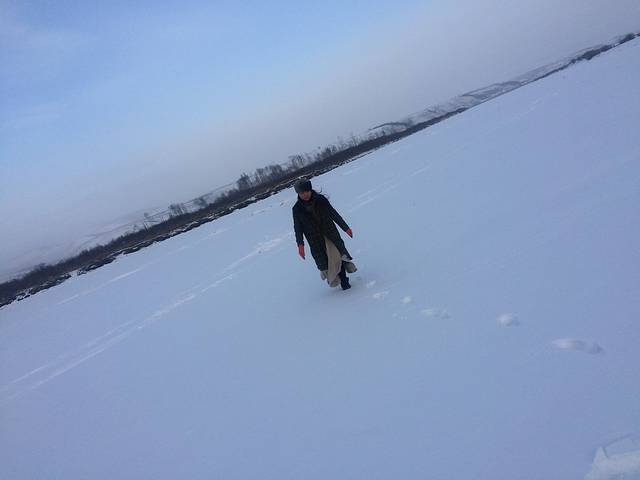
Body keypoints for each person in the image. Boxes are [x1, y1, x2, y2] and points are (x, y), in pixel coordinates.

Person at [292, 178, 357, 290]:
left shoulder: (321, 200)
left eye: (307, 191)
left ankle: (344, 282)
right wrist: (300, 245)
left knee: (338, 257)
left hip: (330, 235)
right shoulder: (297, 209)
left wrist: (346, 228)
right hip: (315, 240)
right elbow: (298, 228)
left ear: (310, 189)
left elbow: (333, 214)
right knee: (326, 262)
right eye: (302, 193)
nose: (305, 194)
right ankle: (336, 279)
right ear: (298, 193)